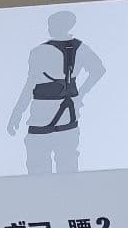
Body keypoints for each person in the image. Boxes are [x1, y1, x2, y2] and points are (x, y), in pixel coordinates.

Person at [7, 11, 105, 173]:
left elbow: (30, 85)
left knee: (44, 165)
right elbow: (98, 70)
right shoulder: (77, 48)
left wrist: (17, 113)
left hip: (44, 114)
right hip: (62, 113)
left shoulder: (40, 51)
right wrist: (80, 94)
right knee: (61, 164)